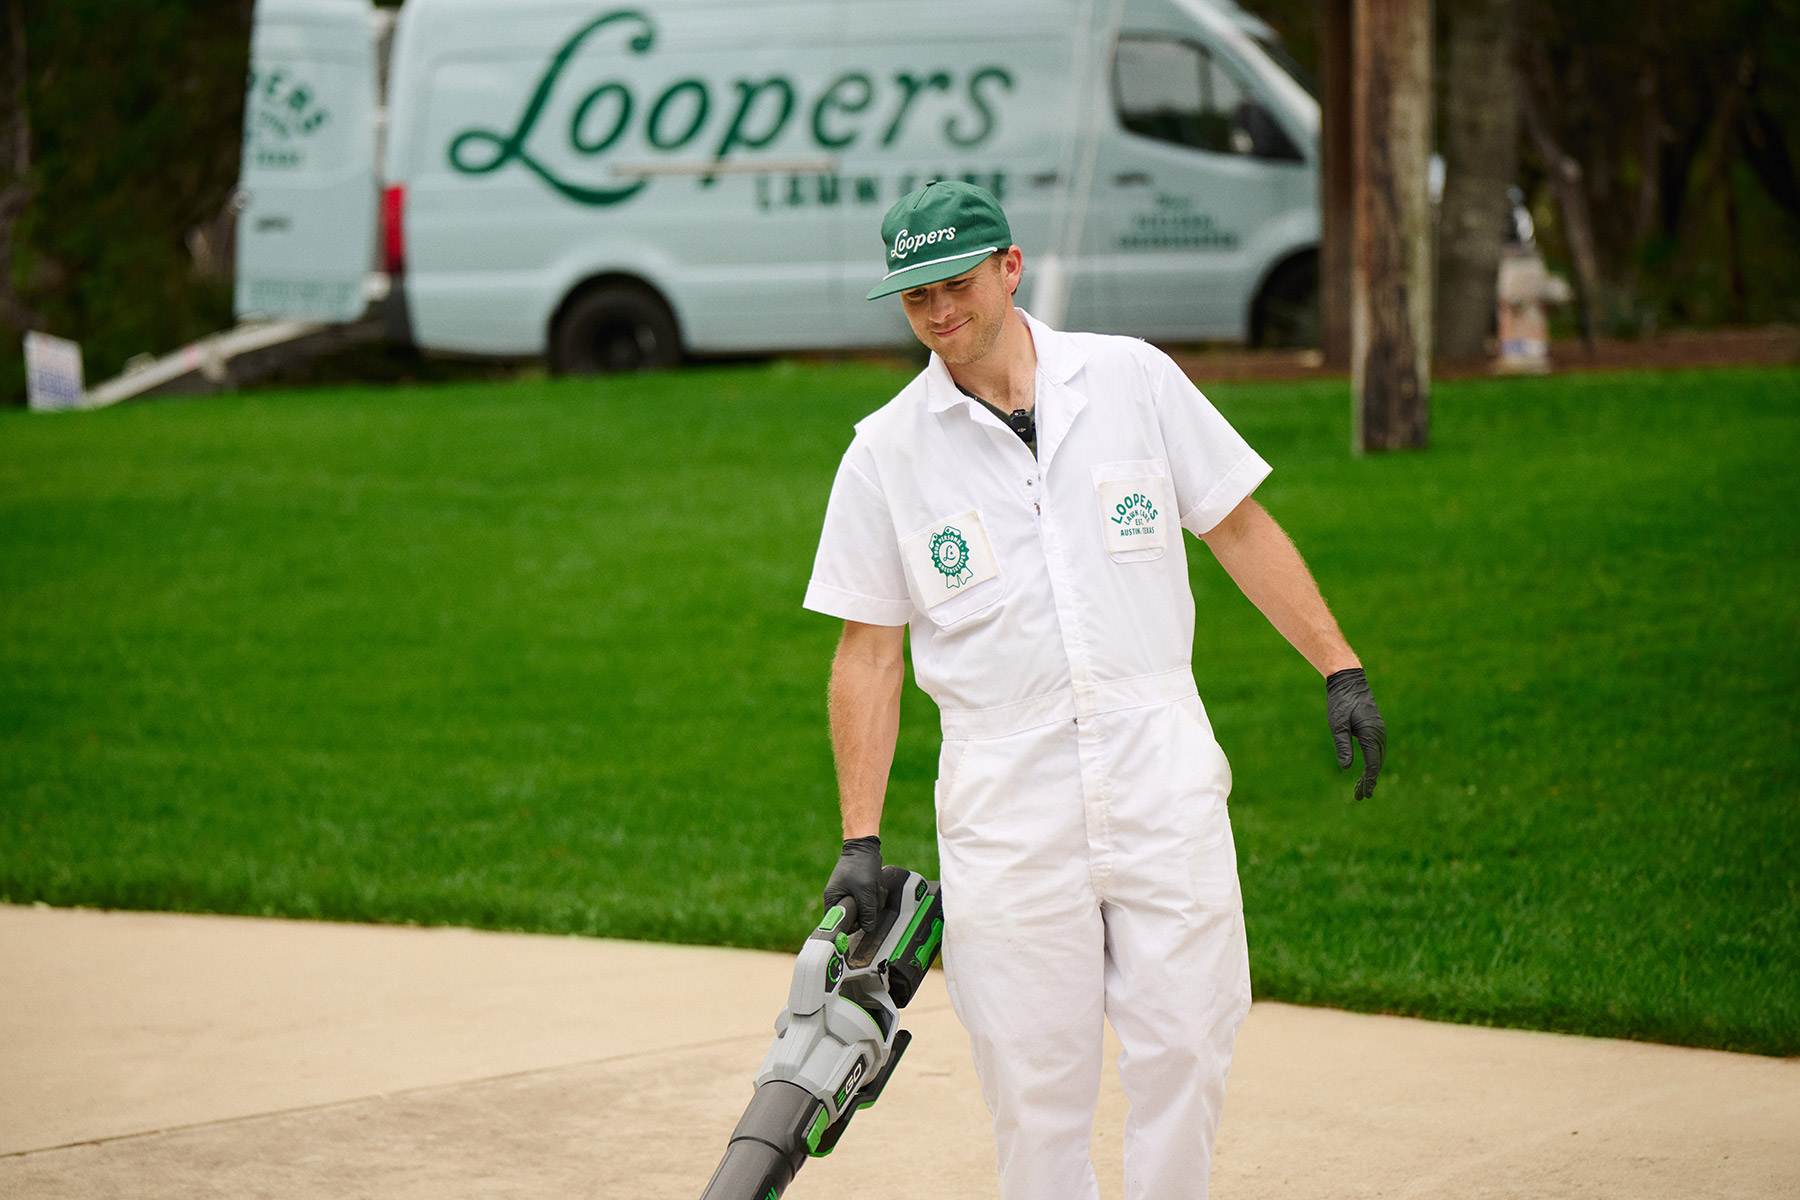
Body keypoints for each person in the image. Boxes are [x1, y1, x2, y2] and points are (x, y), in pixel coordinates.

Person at [803, 180, 1385, 1200]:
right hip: (1007, 801)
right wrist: (860, 838)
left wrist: (1339, 664)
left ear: (1010, 268)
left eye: (956, 286)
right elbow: (868, 652)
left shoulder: (1130, 381)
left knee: (1190, 1044)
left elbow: (1235, 525)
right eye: (914, 299)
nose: (938, 315)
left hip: (1158, 767)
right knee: (1034, 1083)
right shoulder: (884, 455)